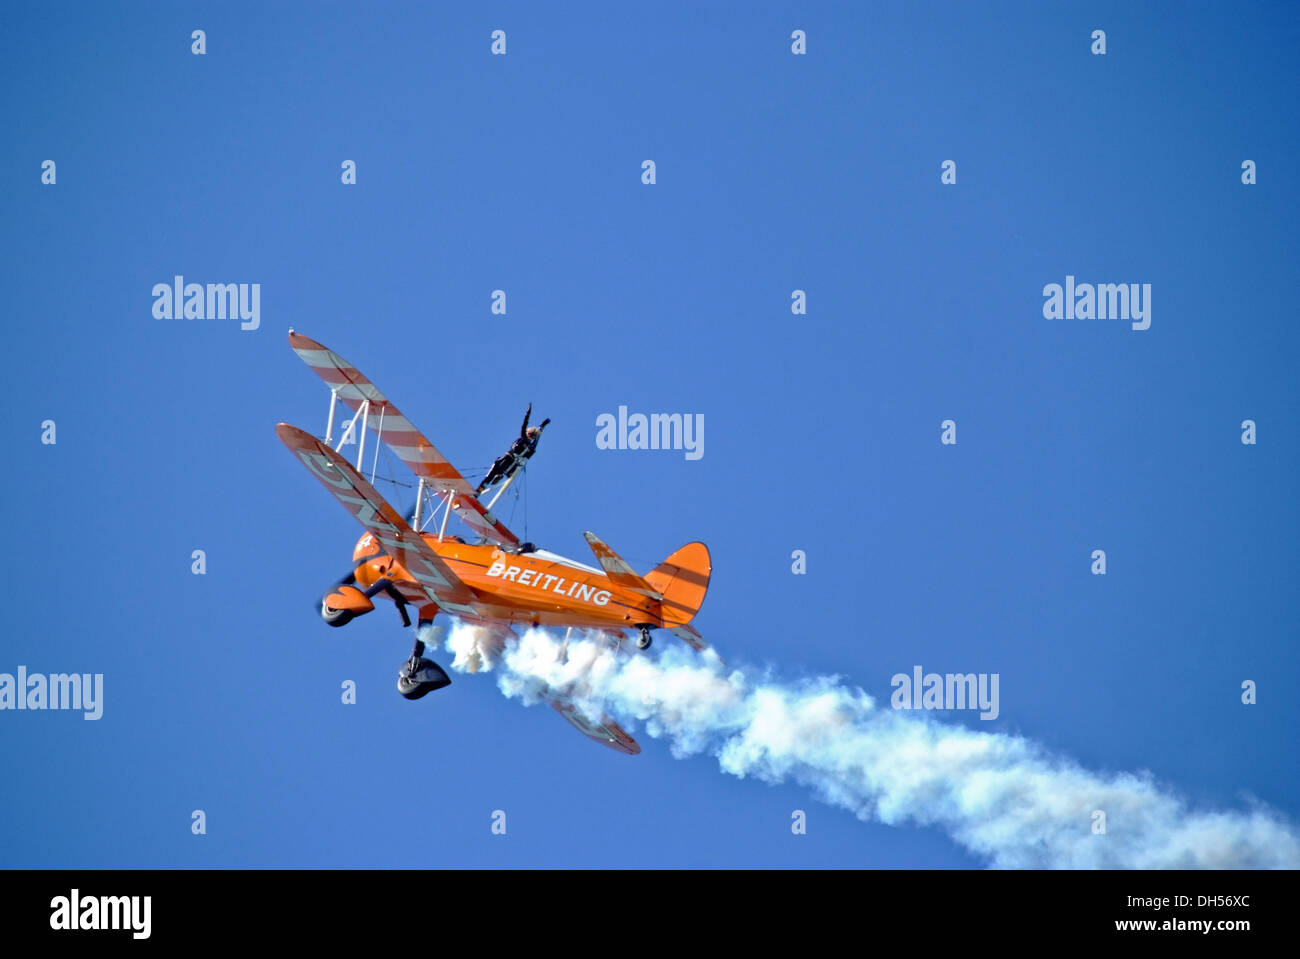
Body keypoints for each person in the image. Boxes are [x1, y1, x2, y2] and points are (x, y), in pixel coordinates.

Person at [476, 403, 550, 495]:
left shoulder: (524, 438)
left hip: (506, 459)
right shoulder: (531, 446)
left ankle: (479, 490)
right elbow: (537, 438)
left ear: (528, 433)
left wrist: (528, 413)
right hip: (511, 468)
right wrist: (542, 426)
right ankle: (500, 475)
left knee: (491, 474)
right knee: (500, 471)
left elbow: (524, 424)